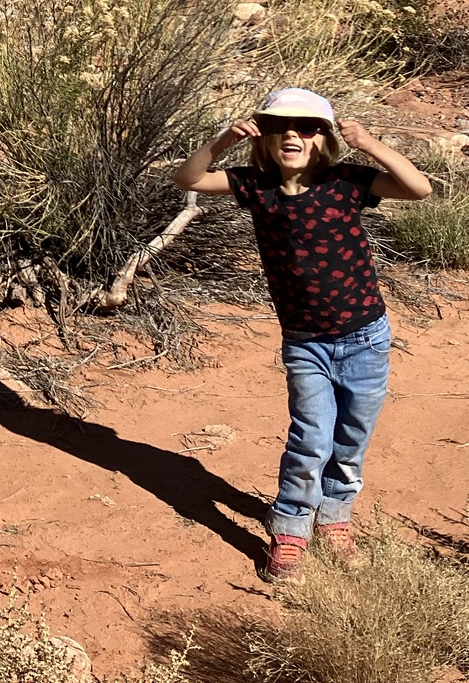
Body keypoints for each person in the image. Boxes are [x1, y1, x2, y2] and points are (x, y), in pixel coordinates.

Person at [171, 87, 431, 580]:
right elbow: (188, 177)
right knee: (310, 438)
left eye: (308, 126)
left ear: (325, 137)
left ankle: (334, 517)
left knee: (351, 438)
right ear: (265, 137)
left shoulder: (348, 181)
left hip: (366, 338)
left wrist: (370, 143)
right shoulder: (255, 185)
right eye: (279, 126)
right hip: (306, 343)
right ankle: (290, 527)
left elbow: (419, 190)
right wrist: (224, 139)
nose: (293, 134)